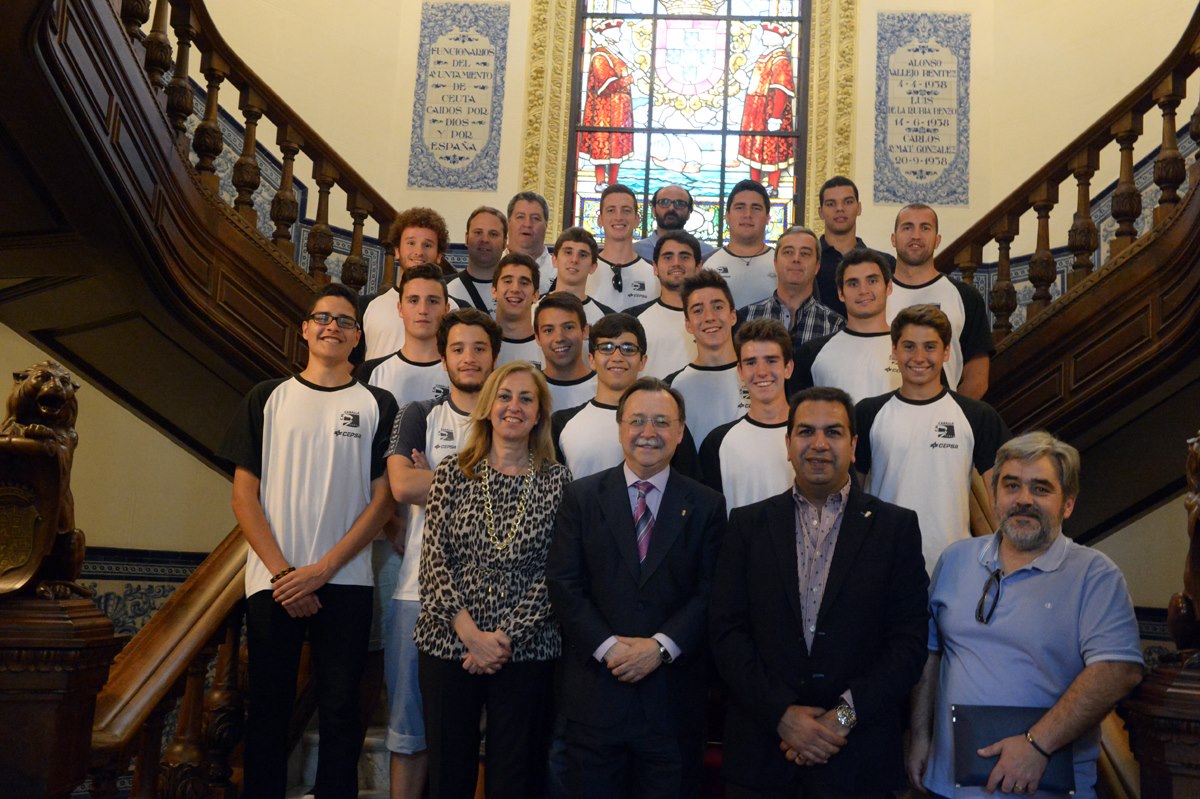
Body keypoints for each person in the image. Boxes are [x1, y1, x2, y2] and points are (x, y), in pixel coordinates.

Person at [219, 283, 398, 798]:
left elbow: (383, 500)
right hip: (273, 583)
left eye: (344, 321)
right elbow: (243, 498)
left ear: (357, 337)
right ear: (304, 328)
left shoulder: (376, 403)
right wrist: (284, 574)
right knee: (269, 709)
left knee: (341, 709)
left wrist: (322, 570)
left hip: (345, 580)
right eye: (322, 318)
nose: (331, 327)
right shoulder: (266, 396)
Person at [709, 386, 929, 799]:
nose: (819, 444)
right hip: (763, 754)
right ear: (787, 443)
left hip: (857, 759)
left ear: (854, 445)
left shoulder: (895, 529)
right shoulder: (747, 526)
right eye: (806, 431)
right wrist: (781, 715)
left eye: (834, 432)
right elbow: (726, 633)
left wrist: (842, 718)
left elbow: (908, 644)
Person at [907, 432, 1144, 799]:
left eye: (1041, 489)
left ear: (1068, 503)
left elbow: (1118, 670)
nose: (1023, 500)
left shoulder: (1095, 574)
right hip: (948, 784)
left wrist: (1037, 745)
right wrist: (921, 737)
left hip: (1043, 784)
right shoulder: (955, 560)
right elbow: (930, 654)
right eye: (1012, 485)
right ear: (995, 495)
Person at [547, 377, 726, 799]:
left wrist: (660, 647)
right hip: (595, 697)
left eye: (662, 422)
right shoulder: (581, 497)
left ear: (680, 432)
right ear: (620, 427)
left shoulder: (707, 504)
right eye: (638, 420)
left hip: (671, 700)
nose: (649, 432)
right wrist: (609, 648)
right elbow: (564, 583)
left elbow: (711, 590)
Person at [416, 361, 571, 799]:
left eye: (526, 399)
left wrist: (501, 639)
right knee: (449, 773)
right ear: (487, 407)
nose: (514, 407)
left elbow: (555, 572)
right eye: (504, 396)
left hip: (526, 648)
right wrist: (471, 635)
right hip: (449, 642)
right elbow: (433, 563)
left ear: (540, 414)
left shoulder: (558, 481)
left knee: (516, 775)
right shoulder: (451, 471)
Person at [385, 308, 501, 799]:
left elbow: (529, 488)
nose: (469, 358)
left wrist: (440, 476)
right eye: (458, 348)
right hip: (418, 593)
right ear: (442, 355)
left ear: (495, 356)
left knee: (490, 739)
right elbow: (401, 483)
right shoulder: (418, 414)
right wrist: (489, 479)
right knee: (410, 734)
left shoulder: (511, 414)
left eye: (479, 348)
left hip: (498, 602)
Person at [355, 263, 451, 746]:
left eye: (433, 300)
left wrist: (418, 480)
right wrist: (389, 517)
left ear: (446, 308)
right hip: (384, 530)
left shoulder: (461, 369)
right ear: (399, 308)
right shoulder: (374, 373)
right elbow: (371, 458)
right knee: (385, 644)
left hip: (446, 538)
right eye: (414, 300)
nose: (423, 309)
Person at [855, 305, 1010, 572]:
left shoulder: (976, 415)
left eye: (930, 347)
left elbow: (1005, 495)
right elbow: (850, 497)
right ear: (894, 351)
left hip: (955, 567)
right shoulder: (868, 413)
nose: (919, 357)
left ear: (946, 352)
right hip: (884, 565)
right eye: (909, 346)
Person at [552, 313, 698, 480]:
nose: (617, 357)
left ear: (643, 361)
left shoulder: (666, 421)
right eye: (606, 348)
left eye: (628, 349)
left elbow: (688, 490)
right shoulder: (561, 423)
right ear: (591, 359)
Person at [887, 203, 993, 399]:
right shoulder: (872, 295)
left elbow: (977, 377)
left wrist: (950, 414)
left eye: (925, 228)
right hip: (883, 417)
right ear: (893, 239)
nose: (916, 235)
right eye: (907, 227)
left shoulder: (965, 296)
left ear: (937, 240)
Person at [699, 319, 794, 513]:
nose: (761, 372)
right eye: (751, 363)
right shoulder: (717, 442)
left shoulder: (815, 435)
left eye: (771, 360)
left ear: (788, 368)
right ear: (740, 371)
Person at [792, 248, 900, 401]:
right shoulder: (812, 353)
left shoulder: (911, 349)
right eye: (853, 284)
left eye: (872, 281)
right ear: (840, 293)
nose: (863, 290)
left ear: (888, 287)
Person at [666, 269, 750, 447]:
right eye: (698, 310)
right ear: (688, 324)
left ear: (733, 316)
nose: (709, 317)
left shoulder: (759, 375)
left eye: (718, 307)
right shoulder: (673, 387)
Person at [738, 225, 845, 359]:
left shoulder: (835, 325)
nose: (796, 259)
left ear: (817, 266)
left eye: (805, 253)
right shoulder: (746, 318)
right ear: (775, 262)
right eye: (788, 252)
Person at [363, 207, 455, 360]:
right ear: (397, 251)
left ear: (439, 255)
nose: (419, 252)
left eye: (427, 245)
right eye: (411, 243)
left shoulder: (457, 309)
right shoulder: (367, 306)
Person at [814, 177, 896, 318]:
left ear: (859, 208)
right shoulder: (809, 262)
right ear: (820, 212)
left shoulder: (885, 263)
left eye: (848, 202)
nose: (840, 209)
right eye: (831, 204)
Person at [629, 230, 702, 379]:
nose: (676, 263)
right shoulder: (632, 319)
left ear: (698, 267)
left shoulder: (715, 320)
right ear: (655, 267)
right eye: (668, 257)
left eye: (684, 257)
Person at [737, 23, 795, 198]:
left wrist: (775, 117)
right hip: (755, 111)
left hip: (769, 112)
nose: (763, 36)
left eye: (766, 33)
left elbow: (781, 89)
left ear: (775, 37)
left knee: (772, 151)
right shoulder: (766, 56)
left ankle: (772, 186)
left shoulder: (780, 59)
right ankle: (753, 187)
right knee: (754, 149)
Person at [704, 180, 778, 309]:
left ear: (767, 218)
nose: (747, 215)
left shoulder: (783, 263)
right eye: (740, 207)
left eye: (756, 208)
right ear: (727, 216)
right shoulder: (705, 264)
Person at [579, 19, 634, 191]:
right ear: (607, 34)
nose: (619, 34)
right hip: (605, 112)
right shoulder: (600, 56)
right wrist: (630, 79)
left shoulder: (613, 53)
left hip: (619, 112)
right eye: (616, 31)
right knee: (603, 147)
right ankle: (600, 182)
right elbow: (605, 86)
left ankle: (613, 183)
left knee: (617, 148)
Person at [587, 184, 659, 311]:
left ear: (637, 220)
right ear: (600, 220)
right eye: (611, 210)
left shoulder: (654, 274)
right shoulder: (584, 271)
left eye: (626, 210)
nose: (619, 217)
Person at [535, 292, 597, 411]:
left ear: (584, 331)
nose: (559, 338)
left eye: (568, 327)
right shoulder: (528, 389)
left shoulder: (604, 389)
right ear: (537, 338)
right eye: (548, 330)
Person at [544, 226, 616, 324]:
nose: (574, 260)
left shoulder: (607, 318)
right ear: (554, 260)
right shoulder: (531, 308)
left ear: (593, 267)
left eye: (582, 255)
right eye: (568, 252)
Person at [447, 206, 507, 315]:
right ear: (466, 238)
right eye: (478, 232)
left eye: (493, 234)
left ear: (504, 243)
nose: (485, 240)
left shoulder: (516, 291)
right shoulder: (444, 289)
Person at [634, 184, 717, 262]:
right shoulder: (635, 252)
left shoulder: (706, 253)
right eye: (664, 202)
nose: (671, 208)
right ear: (654, 210)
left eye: (680, 203)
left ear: (689, 213)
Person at [493, 253, 544, 367]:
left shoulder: (548, 348)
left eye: (524, 283)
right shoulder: (479, 345)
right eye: (507, 281)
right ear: (494, 291)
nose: (515, 289)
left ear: (535, 295)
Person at [507, 192, 556, 295]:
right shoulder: (492, 267)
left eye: (535, 218)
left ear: (546, 226)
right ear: (509, 223)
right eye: (520, 217)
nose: (527, 224)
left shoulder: (559, 272)